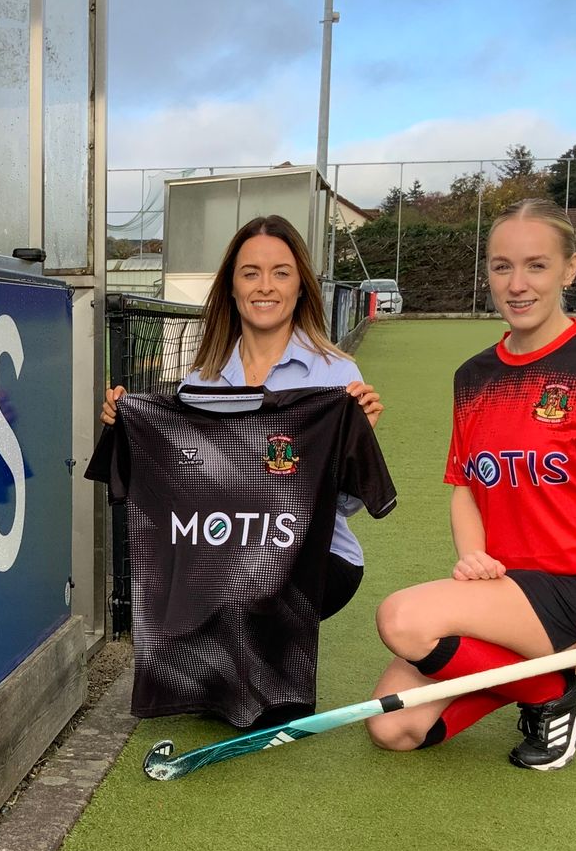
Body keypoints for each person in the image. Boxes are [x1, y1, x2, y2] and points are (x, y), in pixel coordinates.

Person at [366, 198, 576, 770]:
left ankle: (552, 693)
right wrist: (473, 554)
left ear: (569, 269)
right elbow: (465, 486)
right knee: (393, 728)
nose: (517, 284)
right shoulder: (474, 376)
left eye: (536, 265)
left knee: (404, 619)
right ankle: (549, 684)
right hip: (503, 586)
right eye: (502, 267)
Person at [102, 214, 383, 619]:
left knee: (240, 595)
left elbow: (343, 506)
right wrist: (129, 426)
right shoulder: (201, 382)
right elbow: (181, 488)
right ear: (232, 288)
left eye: (281, 273)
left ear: (301, 285)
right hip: (224, 546)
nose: (265, 286)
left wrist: (356, 444)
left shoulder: (336, 374)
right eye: (251, 273)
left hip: (315, 553)